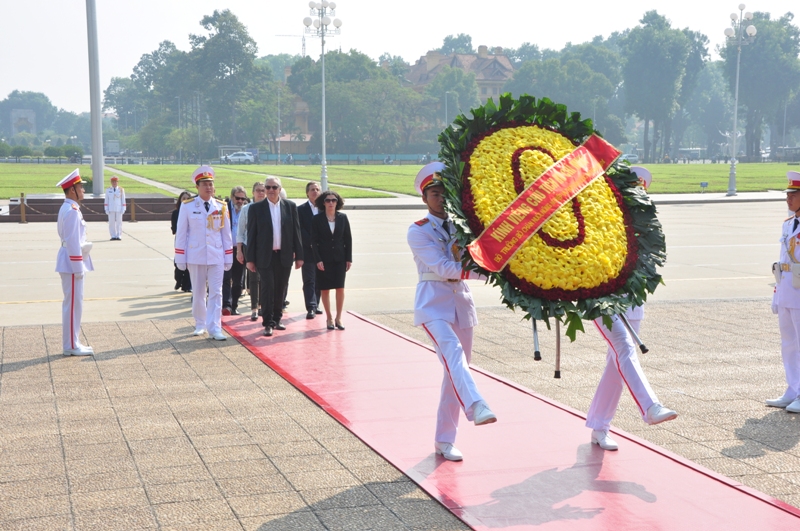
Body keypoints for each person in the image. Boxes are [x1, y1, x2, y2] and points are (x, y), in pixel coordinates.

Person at [407, 162, 497, 462]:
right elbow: (445, 268)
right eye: (434, 193)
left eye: (445, 193)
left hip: (461, 304)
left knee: (454, 372)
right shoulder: (418, 231)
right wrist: (486, 274)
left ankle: (444, 440)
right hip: (433, 304)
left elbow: (479, 256)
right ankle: (476, 405)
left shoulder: (463, 227)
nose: (441, 199)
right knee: (453, 353)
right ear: (424, 198)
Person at [586, 166, 677, 451]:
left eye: (640, 192)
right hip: (603, 300)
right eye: (630, 191)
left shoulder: (648, 226)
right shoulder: (600, 218)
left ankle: (599, 426)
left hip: (633, 303)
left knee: (616, 366)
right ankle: (651, 406)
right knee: (624, 348)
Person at [174, 166, 233, 341]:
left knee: (216, 292)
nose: (208, 187)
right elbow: (182, 232)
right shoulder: (188, 206)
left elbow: (226, 234)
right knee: (199, 292)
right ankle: (200, 323)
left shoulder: (221, 206)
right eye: (205, 184)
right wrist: (180, 257)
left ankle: (215, 327)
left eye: (211, 184)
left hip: (216, 255)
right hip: (196, 254)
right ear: (197, 187)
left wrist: (228, 256)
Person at [246, 177, 303, 337]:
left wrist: (299, 256)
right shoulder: (256, 208)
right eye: (268, 187)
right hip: (264, 256)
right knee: (267, 288)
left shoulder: (290, 207)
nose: (270, 190)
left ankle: (277, 319)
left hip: (284, 255)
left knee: (281, 288)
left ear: (280, 188)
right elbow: (251, 235)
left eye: (274, 187)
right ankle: (268, 323)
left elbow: (296, 232)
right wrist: (250, 259)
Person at [767, 171, 800, 412]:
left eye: (793, 195)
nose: (788, 199)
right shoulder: (788, 224)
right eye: (788, 195)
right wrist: (777, 293)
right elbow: (783, 261)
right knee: (788, 342)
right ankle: (793, 388)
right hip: (788, 289)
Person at [56, 169, 94, 356]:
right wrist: (78, 267)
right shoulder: (71, 211)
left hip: (70, 261)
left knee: (75, 304)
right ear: (72, 190)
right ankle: (71, 345)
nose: (83, 191)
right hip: (72, 264)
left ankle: (74, 341)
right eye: (80, 187)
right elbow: (72, 242)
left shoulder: (70, 208)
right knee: (73, 305)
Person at [311, 190, 352, 330]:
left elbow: (348, 239)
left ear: (337, 202)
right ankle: (328, 318)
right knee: (325, 289)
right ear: (323, 202)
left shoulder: (343, 217)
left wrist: (349, 258)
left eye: (333, 200)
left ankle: (338, 317)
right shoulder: (317, 219)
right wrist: (318, 260)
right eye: (327, 200)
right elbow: (314, 242)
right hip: (324, 259)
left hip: (340, 258)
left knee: (340, 288)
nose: (330, 203)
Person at [237, 181, 267, 321]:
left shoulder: (269, 207)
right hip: (250, 246)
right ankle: (254, 308)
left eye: (263, 190)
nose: (261, 192)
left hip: (265, 247)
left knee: (265, 278)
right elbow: (241, 232)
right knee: (254, 278)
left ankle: (262, 306)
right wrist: (239, 250)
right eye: (258, 190)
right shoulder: (246, 209)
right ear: (253, 192)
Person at [298, 181, 323, 319]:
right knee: (309, 280)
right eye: (312, 189)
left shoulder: (324, 208)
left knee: (319, 280)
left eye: (317, 189)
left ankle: (317, 304)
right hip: (307, 251)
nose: (315, 192)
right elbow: (299, 229)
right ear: (307, 193)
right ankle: (311, 307)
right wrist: (311, 242)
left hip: (321, 252)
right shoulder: (300, 210)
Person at [223, 186, 248, 316]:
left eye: (242, 198)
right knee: (226, 278)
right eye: (237, 198)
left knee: (238, 281)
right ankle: (226, 305)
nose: (240, 201)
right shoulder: (224, 208)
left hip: (241, 250)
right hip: (226, 250)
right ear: (232, 197)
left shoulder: (247, 209)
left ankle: (234, 306)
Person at [171, 191, 193, 292]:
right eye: (183, 198)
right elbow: (174, 229)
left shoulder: (192, 212)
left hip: (191, 241)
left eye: (187, 198)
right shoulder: (176, 213)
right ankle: (178, 280)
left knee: (189, 264)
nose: (185, 200)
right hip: (180, 240)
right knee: (178, 262)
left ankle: (187, 285)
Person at [104, 175, 126, 240]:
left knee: (119, 223)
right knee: (111, 223)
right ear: (111, 182)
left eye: (115, 182)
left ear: (117, 182)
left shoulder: (121, 190)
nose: (114, 183)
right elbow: (106, 200)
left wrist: (123, 208)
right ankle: (113, 235)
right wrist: (106, 208)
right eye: (113, 182)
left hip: (119, 208)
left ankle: (119, 235)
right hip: (111, 208)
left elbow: (123, 200)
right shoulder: (108, 190)